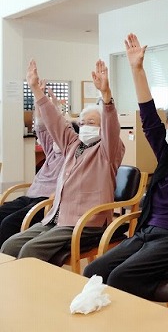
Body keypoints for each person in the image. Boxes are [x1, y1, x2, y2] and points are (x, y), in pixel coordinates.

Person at [83, 30, 168, 300]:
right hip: (146, 232)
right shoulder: (166, 153)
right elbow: (148, 117)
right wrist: (136, 69)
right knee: (94, 271)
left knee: (120, 277)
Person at [1, 60, 125, 261]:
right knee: (10, 244)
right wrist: (36, 90)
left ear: (102, 127)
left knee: (30, 251)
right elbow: (55, 122)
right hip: (57, 217)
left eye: (91, 122)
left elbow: (112, 127)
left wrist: (106, 96)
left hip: (86, 222)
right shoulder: (73, 145)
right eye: (82, 123)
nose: (85, 126)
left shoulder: (108, 150)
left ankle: (39, 282)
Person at [0, 84, 78, 246]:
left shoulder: (73, 154)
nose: (54, 137)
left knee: (8, 223)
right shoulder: (51, 149)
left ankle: (7, 258)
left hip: (46, 202)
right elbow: (41, 126)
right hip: (30, 196)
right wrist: (38, 98)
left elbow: (63, 128)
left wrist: (58, 112)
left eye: (58, 134)